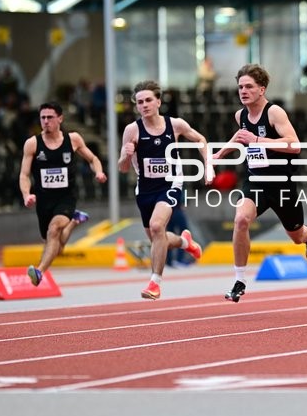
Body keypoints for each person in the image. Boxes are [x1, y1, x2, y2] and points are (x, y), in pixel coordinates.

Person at [214, 64, 307, 303]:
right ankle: (239, 280)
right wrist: (219, 155)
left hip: (281, 183)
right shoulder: (240, 115)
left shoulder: (275, 113)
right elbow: (240, 137)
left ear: (261, 89)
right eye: (240, 87)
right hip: (256, 182)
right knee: (241, 220)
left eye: (249, 86)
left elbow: (295, 145)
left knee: (296, 235)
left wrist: (258, 140)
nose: (243, 91)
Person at [118, 80, 213, 300]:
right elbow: (122, 168)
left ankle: (155, 283)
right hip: (145, 188)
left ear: (158, 101)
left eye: (149, 100)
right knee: (157, 239)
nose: (144, 105)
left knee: (156, 225)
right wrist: (126, 154)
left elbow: (200, 139)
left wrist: (208, 165)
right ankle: (184, 242)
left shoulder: (174, 125)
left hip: (171, 183)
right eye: (140, 102)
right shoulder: (132, 130)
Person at [20, 102, 107, 286]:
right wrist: (26, 194)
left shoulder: (73, 139)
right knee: (55, 246)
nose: (45, 121)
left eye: (50, 117)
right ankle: (75, 221)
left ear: (60, 118)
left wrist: (98, 172)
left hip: (66, 197)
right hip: (44, 200)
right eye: (42, 118)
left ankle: (39, 272)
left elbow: (93, 158)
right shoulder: (32, 143)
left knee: (54, 230)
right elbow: (24, 174)